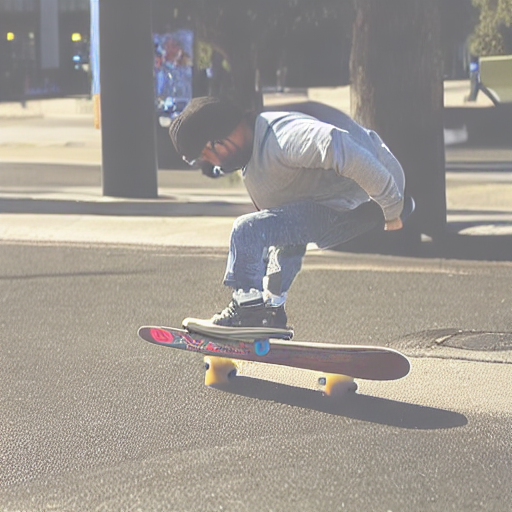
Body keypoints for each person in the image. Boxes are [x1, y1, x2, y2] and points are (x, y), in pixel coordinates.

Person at [169, 96, 405, 338]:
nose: (210, 161)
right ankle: (271, 312)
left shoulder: (282, 137)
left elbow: (341, 146)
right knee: (278, 239)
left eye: (207, 153)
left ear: (222, 137)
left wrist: (392, 207)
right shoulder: (249, 154)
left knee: (247, 229)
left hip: (364, 200)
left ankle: (247, 311)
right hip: (334, 207)